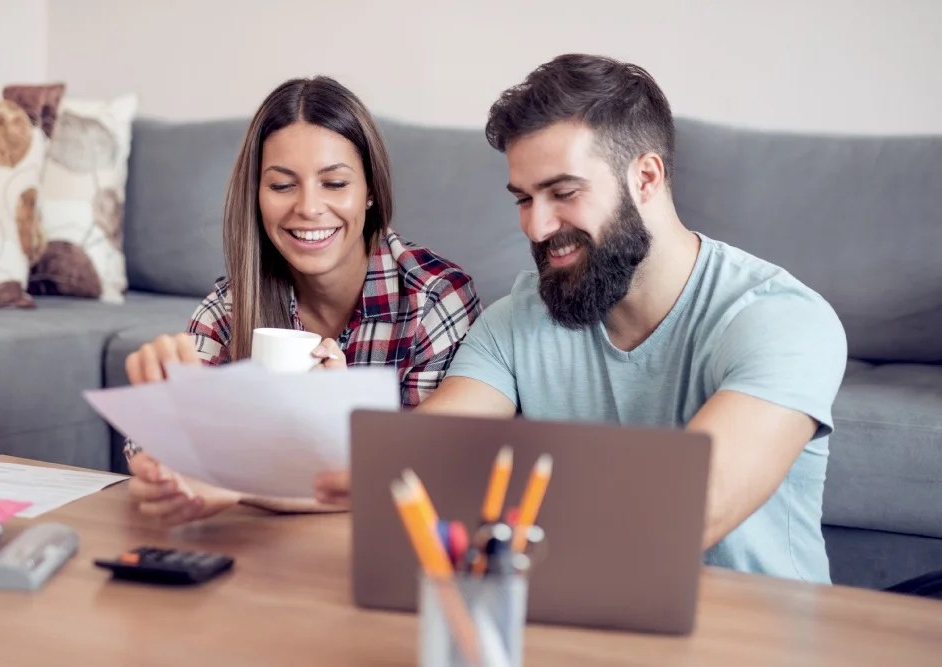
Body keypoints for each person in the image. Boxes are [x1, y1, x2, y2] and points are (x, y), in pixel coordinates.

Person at [316, 54, 847, 583]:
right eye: (524, 198)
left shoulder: (783, 321)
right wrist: (361, 449)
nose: (538, 226)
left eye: (564, 193)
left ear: (645, 177)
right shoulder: (515, 323)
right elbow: (432, 450)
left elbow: (690, 513)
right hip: (583, 625)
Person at [124, 76, 480, 523]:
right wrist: (163, 419)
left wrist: (335, 426)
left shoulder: (433, 299)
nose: (309, 208)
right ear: (256, 196)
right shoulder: (230, 307)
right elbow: (156, 455)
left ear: (369, 191)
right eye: (281, 185)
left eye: (334, 183)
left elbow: (424, 472)